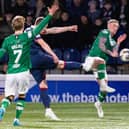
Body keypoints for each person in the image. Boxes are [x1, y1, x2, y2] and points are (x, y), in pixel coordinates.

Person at [0, 4, 58, 126]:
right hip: (23, 71)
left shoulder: (7, 40)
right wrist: (50, 15)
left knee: (9, 96)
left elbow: (0, 55)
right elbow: (40, 27)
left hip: (10, 72)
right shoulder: (27, 36)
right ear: (23, 25)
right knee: (21, 96)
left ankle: (3, 108)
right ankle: (16, 120)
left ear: (12, 26)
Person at [25, 17, 82, 120]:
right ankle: (84, 66)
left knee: (43, 84)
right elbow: (43, 44)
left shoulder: (30, 30)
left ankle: (48, 110)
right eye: (44, 27)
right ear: (40, 25)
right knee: (60, 64)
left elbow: (54, 30)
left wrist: (69, 28)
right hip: (37, 56)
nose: (45, 30)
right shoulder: (34, 31)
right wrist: (53, 55)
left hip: (30, 63)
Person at [83, 19, 127, 118]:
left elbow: (115, 51)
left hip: (100, 65)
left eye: (117, 26)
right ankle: (85, 66)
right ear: (109, 26)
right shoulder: (104, 32)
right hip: (93, 58)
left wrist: (119, 42)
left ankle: (98, 104)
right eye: (114, 26)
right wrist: (111, 53)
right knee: (100, 60)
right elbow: (101, 45)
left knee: (104, 89)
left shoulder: (112, 40)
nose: (116, 28)